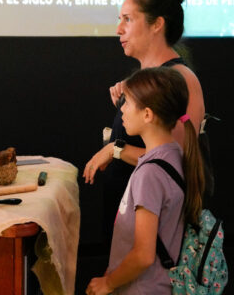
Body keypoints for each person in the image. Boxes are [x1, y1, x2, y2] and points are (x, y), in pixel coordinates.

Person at [83, 0, 205, 250]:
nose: (118, 29)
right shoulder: (148, 80)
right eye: (119, 20)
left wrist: (115, 149)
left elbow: (178, 162)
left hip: (152, 242)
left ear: (156, 24)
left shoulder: (180, 79)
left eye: (128, 19)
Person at [86, 66, 205, 294]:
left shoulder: (149, 174)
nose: (122, 112)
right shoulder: (173, 154)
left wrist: (108, 283)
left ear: (148, 114)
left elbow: (143, 255)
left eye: (127, 103)